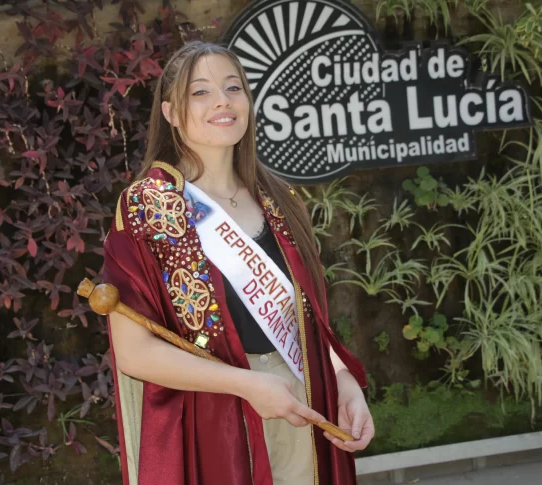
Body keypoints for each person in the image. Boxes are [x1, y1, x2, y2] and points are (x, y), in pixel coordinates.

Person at [101, 40, 374, 485]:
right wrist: (246, 384)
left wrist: (343, 381)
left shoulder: (280, 199)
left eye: (234, 87)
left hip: (301, 398)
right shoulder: (148, 207)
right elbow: (135, 352)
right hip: (213, 414)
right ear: (170, 113)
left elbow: (308, 319)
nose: (222, 102)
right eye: (200, 92)